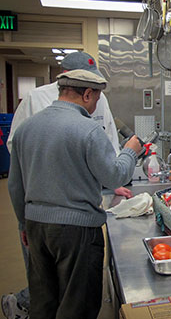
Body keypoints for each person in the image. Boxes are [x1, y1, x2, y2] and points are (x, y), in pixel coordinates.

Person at [2, 51, 132, 319]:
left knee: (43, 301)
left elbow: (15, 185)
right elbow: (115, 176)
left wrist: (23, 224)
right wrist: (131, 151)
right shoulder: (88, 130)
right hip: (77, 231)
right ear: (86, 95)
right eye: (96, 98)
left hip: (36, 227)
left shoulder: (27, 128)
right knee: (78, 305)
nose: (96, 104)